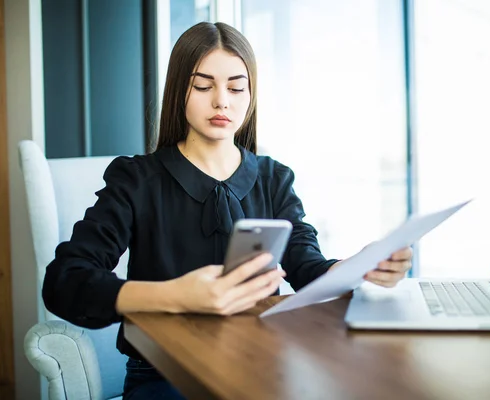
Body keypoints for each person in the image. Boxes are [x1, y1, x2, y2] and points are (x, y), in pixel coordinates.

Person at [42, 21, 413, 400]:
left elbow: (307, 268)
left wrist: (358, 267)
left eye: (236, 88)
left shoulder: (273, 178)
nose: (222, 101)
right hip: (164, 374)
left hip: (261, 365)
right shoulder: (137, 179)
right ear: (178, 92)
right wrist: (176, 296)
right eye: (203, 86)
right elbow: (65, 282)